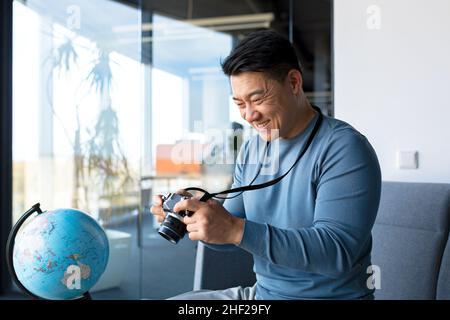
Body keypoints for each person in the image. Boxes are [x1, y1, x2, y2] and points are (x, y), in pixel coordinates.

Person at [151, 29, 381, 300]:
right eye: (239, 104)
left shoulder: (345, 148)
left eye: (257, 99)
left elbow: (335, 253)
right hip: (262, 295)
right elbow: (231, 234)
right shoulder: (252, 148)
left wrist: (236, 229)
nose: (249, 115)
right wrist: (199, 216)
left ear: (294, 82)